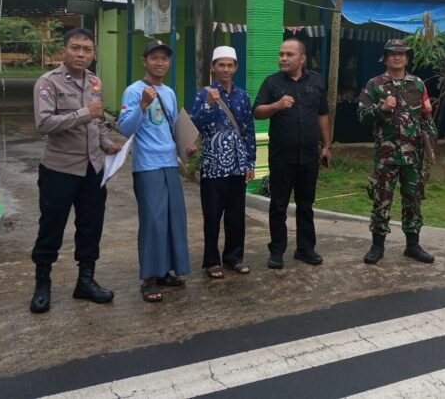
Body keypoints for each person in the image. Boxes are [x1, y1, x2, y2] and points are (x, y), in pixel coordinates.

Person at [30, 28, 123, 314]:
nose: (81, 54)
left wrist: (107, 145)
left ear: (94, 53)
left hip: (93, 169)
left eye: (87, 49)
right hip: (59, 169)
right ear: (64, 50)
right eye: (75, 48)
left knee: (90, 227)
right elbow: (44, 124)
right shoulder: (48, 83)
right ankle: (42, 284)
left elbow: (95, 126)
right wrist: (85, 113)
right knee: (52, 227)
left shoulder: (95, 83)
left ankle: (86, 281)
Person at [118, 40, 191, 303]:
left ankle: (165, 271)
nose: (160, 63)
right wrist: (142, 106)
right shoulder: (133, 91)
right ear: (144, 61)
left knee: (173, 219)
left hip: (170, 163)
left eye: (164, 59)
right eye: (154, 58)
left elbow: (171, 128)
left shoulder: (169, 92)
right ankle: (149, 278)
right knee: (153, 221)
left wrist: (185, 147)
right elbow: (125, 129)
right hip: (147, 165)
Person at [357, 38, 438, 265]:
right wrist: (380, 109)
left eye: (402, 54)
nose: (397, 57)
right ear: (385, 57)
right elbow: (361, 116)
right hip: (386, 155)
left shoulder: (417, 84)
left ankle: (413, 246)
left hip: (413, 155)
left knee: (413, 199)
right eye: (392, 53)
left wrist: (432, 146)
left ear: (407, 58)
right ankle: (377, 246)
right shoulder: (374, 85)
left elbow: (426, 117)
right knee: (381, 199)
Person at [253, 38, 332, 269]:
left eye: (289, 54)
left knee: (306, 204)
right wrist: (276, 106)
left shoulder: (316, 81)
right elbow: (257, 112)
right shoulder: (272, 83)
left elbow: (323, 114)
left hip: (309, 156)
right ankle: (277, 250)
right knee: (278, 205)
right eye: (281, 54)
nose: (283, 58)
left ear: (302, 58)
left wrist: (327, 145)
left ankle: (305, 249)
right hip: (281, 156)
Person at [190, 46, 256, 279]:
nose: (225, 69)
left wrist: (250, 162)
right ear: (213, 67)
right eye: (221, 64)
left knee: (236, 216)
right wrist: (208, 103)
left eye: (230, 65)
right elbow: (194, 125)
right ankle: (211, 261)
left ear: (235, 67)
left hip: (238, 166)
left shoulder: (242, 96)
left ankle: (234, 258)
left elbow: (248, 130)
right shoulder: (203, 94)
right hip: (213, 166)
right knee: (212, 216)